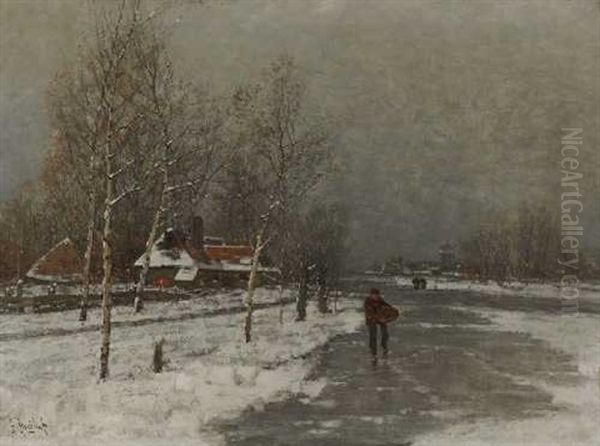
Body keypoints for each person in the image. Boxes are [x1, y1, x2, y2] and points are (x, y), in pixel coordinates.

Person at [364, 288, 392, 364]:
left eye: (377, 295)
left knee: (385, 333)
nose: (376, 297)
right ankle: (374, 353)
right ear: (371, 295)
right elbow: (370, 313)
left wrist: (391, 311)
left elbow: (387, 306)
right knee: (373, 335)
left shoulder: (380, 300)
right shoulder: (367, 301)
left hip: (380, 317)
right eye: (374, 295)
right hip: (371, 318)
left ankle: (384, 345)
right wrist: (379, 318)